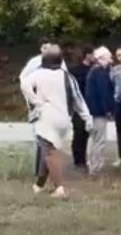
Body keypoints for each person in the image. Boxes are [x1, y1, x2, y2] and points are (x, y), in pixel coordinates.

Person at [20, 45, 91, 199]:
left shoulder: (38, 74)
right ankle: (39, 184)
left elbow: (24, 84)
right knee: (47, 150)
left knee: (50, 152)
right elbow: (78, 98)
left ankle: (59, 188)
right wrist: (87, 117)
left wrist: (36, 101)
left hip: (46, 117)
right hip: (64, 118)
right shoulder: (67, 76)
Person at [20, 42, 54, 181]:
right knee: (41, 138)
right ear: (40, 49)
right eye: (44, 47)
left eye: (49, 47)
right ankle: (39, 170)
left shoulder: (59, 62)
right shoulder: (34, 63)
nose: (47, 50)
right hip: (38, 103)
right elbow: (23, 80)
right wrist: (31, 100)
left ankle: (50, 168)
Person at [85, 46, 116, 174]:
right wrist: (107, 110)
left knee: (94, 139)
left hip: (92, 110)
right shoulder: (100, 72)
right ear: (102, 58)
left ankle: (91, 163)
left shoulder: (94, 71)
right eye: (109, 56)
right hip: (98, 111)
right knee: (99, 139)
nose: (111, 58)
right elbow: (103, 93)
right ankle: (95, 166)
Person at [68, 46, 94, 171]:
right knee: (78, 133)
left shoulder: (94, 69)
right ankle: (77, 160)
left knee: (85, 134)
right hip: (78, 106)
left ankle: (83, 160)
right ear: (87, 55)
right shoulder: (75, 70)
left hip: (90, 106)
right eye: (92, 54)